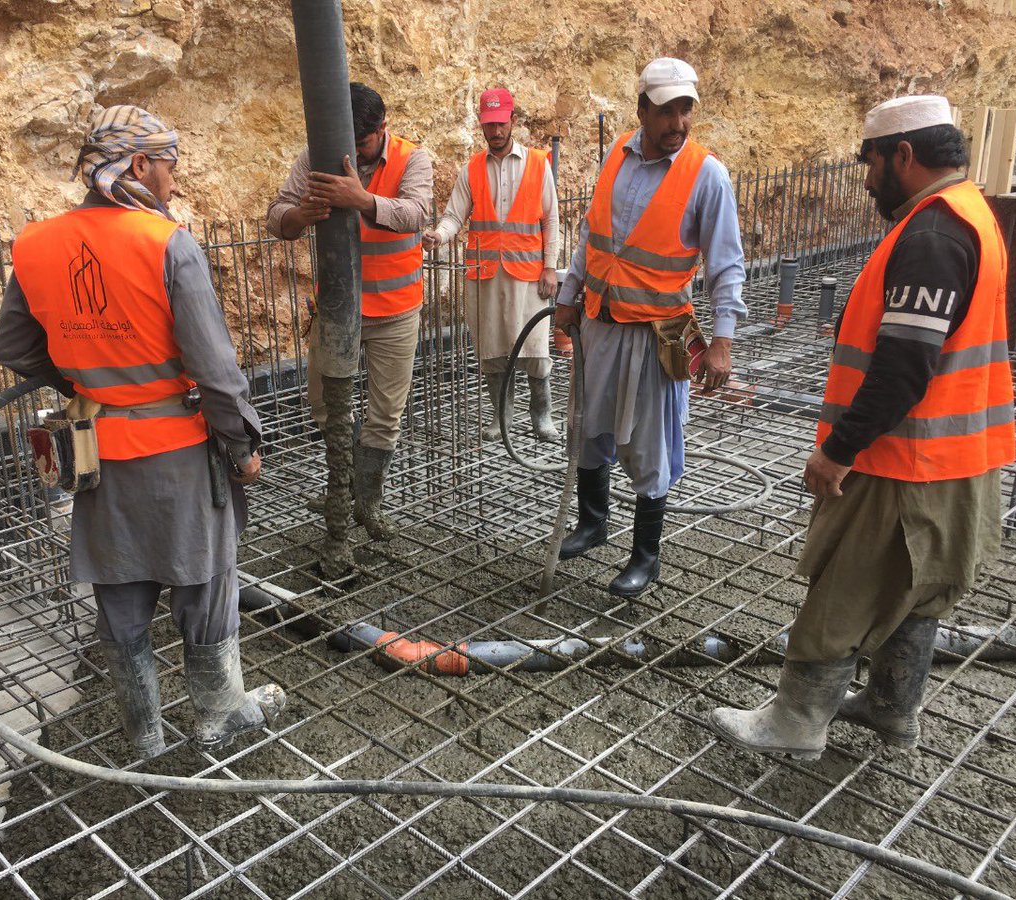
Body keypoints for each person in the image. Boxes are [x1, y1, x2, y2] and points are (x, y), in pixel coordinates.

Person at [711, 95, 1015, 760]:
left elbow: (903, 367)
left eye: (870, 162)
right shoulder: (969, 213)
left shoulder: (933, 238)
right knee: (916, 590)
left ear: (903, 155)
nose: (867, 178)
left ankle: (797, 724)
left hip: (901, 461)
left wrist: (838, 449)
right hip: (956, 460)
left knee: (845, 588)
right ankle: (891, 710)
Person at [0, 105, 284, 759]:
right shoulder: (165, 242)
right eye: (169, 166)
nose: (173, 181)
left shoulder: (35, 244)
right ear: (140, 164)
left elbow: (14, 346)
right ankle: (217, 717)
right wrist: (243, 446)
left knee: (121, 593)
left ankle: (145, 734)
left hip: (96, 454)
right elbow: (216, 371)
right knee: (205, 583)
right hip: (176, 452)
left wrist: (89, 383)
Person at [554, 58, 747, 597]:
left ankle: (646, 557)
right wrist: (569, 296)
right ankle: (593, 523)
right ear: (642, 110)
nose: (678, 123)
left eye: (686, 110)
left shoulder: (706, 175)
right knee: (588, 427)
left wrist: (723, 342)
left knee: (650, 444)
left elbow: (727, 264)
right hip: (601, 322)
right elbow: (592, 238)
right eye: (666, 111)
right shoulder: (617, 154)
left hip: (657, 334)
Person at [268, 82, 434, 540]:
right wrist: (301, 215)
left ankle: (367, 500)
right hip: (338, 308)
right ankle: (345, 487)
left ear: (383, 129)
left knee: (385, 414)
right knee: (324, 403)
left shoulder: (412, 159)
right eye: (349, 141)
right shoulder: (318, 155)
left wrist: (360, 199)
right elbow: (276, 213)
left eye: (362, 143)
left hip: (396, 311)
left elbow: (416, 214)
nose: (355, 152)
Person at [423, 87, 560, 442]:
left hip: (528, 275)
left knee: (534, 347)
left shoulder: (537, 164)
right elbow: (454, 216)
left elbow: (550, 219)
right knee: (493, 350)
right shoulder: (472, 169)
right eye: (489, 125)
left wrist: (550, 266)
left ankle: (541, 414)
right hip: (485, 276)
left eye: (501, 123)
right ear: (482, 125)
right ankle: (502, 418)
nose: (496, 131)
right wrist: (439, 235)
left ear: (512, 121)